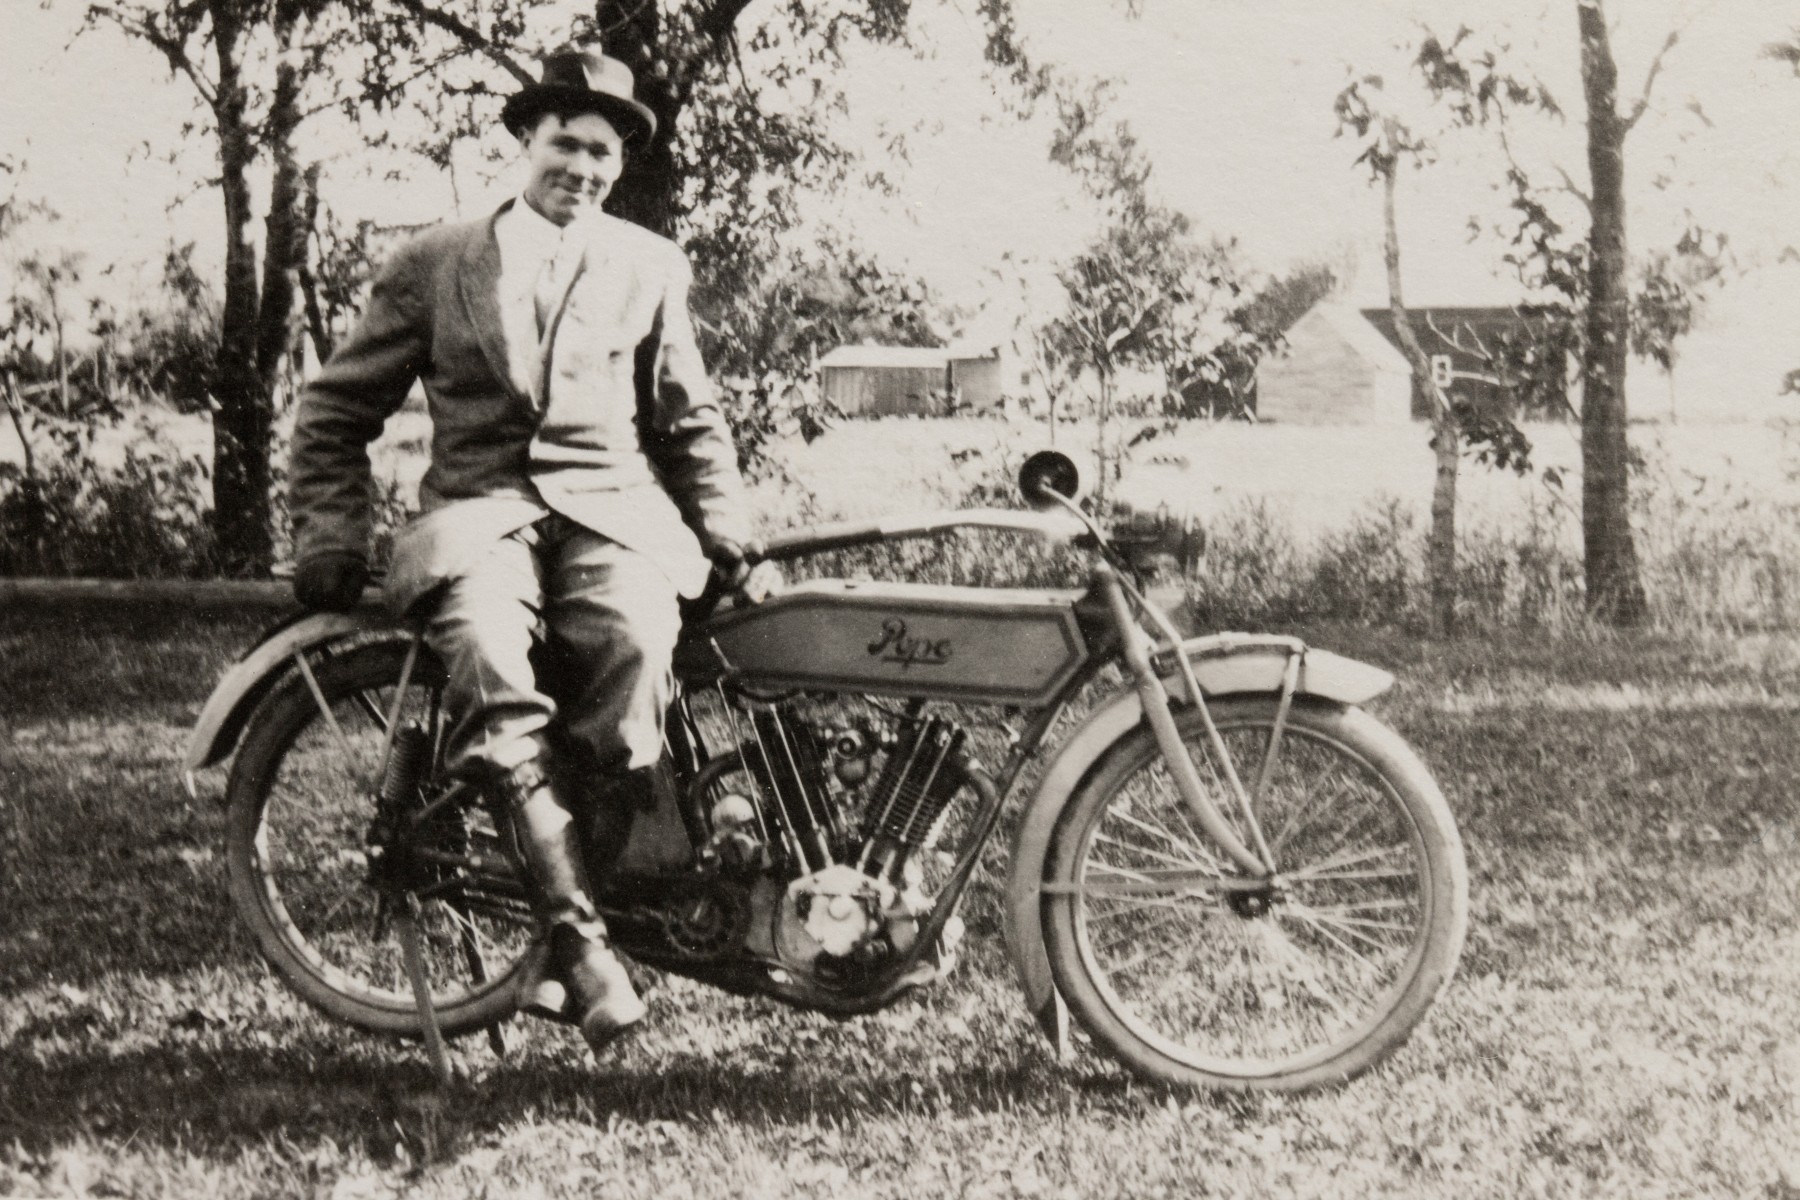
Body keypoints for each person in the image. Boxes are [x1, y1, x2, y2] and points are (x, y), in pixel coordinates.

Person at [286, 46, 754, 1056]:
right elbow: (332, 411)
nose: (580, 167)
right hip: (479, 514)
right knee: (494, 668)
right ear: (523, 143)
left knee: (632, 658)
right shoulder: (434, 262)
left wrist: (725, 527)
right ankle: (584, 951)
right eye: (563, 144)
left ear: (618, 166)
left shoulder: (648, 264)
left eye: (600, 152)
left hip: (614, 515)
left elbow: (688, 419)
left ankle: (552, 939)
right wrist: (329, 535)